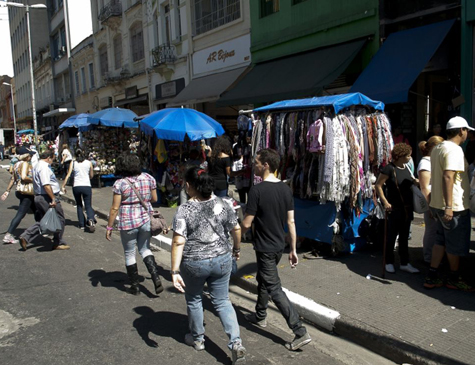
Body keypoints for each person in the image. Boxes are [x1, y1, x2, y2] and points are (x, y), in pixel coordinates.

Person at [171, 166, 246, 364]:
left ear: (189, 186)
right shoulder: (224, 203)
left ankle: (197, 339)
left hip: (194, 263)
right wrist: (236, 250)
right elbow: (236, 229)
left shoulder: (184, 210)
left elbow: (178, 241)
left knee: (195, 299)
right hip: (222, 259)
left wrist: (174, 270)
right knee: (222, 301)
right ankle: (236, 342)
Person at [241, 149, 312, 351]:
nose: (253, 165)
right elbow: (291, 221)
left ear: (266, 165)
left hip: (264, 247)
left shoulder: (257, 191)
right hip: (278, 246)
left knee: (274, 288)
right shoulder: (285, 189)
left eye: (256, 162)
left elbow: (247, 224)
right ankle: (260, 315)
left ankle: (299, 331)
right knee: (263, 279)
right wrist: (292, 249)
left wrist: (234, 226)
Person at [424, 117, 474, 291]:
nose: (467, 133)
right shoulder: (454, 150)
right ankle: (454, 278)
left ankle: (432, 274)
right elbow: (448, 176)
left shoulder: (438, 148)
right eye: (466, 130)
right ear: (461, 131)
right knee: (454, 244)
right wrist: (449, 206)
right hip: (454, 207)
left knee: (441, 240)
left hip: (438, 203)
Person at [105, 153, 164, 296]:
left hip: (128, 222)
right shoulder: (148, 178)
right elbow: (154, 198)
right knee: (145, 249)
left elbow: (114, 208)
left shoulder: (120, 184)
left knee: (129, 253)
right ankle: (156, 277)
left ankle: (134, 286)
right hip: (145, 220)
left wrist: (109, 227)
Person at [374, 143, 420, 274]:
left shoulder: (407, 167)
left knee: (404, 237)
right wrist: (385, 202)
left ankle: (405, 262)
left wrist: (416, 181)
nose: (410, 157)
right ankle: (389, 261)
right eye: (408, 155)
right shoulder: (389, 169)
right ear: (400, 156)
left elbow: (411, 181)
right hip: (394, 208)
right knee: (391, 236)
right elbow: (378, 185)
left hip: (407, 207)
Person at [19, 149, 70, 251]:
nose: (52, 162)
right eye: (52, 159)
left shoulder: (37, 165)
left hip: (39, 196)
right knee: (59, 219)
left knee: (45, 220)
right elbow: (46, 185)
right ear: (48, 158)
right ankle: (57, 242)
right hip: (46, 196)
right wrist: (53, 198)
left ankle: (26, 236)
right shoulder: (44, 167)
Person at [1, 147, 37, 244]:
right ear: (26, 156)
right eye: (29, 155)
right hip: (26, 192)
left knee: (36, 209)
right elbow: (24, 177)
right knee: (21, 213)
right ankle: (9, 234)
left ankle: (42, 228)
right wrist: (35, 180)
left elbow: (13, 179)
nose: (30, 156)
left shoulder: (16, 164)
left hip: (20, 191)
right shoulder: (25, 164)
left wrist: (7, 190)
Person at [417, 136, 444, 263]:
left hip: (437, 201)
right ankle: (428, 257)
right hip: (431, 202)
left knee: (436, 230)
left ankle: (433, 255)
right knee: (432, 230)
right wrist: (430, 206)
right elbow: (424, 187)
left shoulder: (433, 161)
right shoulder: (425, 164)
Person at [62, 148, 96, 232]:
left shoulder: (73, 163)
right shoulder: (89, 163)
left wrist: (63, 185)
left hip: (76, 186)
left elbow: (68, 175)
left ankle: (82, 224)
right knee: (88, 205)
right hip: (86, 185)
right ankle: (90, 219)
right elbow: (91, 175)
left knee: (79, 205)